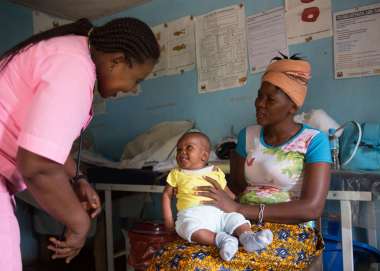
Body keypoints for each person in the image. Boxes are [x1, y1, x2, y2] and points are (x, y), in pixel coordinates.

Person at [0, 17, 160, 270]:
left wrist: (77, 178)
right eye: (136, 80)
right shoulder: (75, 68)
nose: (131, 89)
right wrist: (79, 224)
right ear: (116, 60)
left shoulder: (71, 53)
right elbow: (38, 165)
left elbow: (42, 140)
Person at [148, 55, 331, 271]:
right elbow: (235, 187)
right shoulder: (248, 135)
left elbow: (312, 208)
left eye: (270, 100)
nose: (260, 104)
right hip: (239, 222)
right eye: (259, 96)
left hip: (290, 229)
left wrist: (241, 208)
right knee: (171, 256)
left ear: (292, 106)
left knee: (203, 266)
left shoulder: (314, 140)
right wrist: (202, 189)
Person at [162, 132, 273, 261]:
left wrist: (240, 202)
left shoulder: (215, 171)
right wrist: (168, 220)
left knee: (235, 217)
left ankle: (248, 237)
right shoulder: (176, 173)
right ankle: (223, 240)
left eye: (189, 148)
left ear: (204, 155)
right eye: (179, 149)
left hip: (218, 213)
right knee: (185, 228)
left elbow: (228, 194)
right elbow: (166, 195)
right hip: (191, 216)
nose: (182, 152)